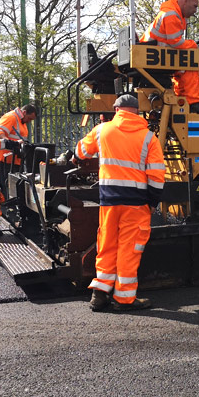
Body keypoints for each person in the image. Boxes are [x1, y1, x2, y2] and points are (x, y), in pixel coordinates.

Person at [75, 94, 165, 311]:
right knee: (129, 249)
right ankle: (124, 299)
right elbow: (157, 175)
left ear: (116, 110)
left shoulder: (102, 130)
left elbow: (81, 151)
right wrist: (152, 202)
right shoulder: (148, 137)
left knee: (106, 245)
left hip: (109, 203)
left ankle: (100, 294)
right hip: (136, 204)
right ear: (137, 112)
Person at [143, 0, 199, 112]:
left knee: (181, 68)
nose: (195, 10)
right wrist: (193, 44)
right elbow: (175, 41)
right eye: (195, 6)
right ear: (185, 1)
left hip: (154, 55)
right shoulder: (172, 14)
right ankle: (193, 103)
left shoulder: (173, 13)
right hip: (154, 57)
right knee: (191, 65)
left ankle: (182, 99)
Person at [0, 103, 37, 175]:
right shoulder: (11, 117)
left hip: (15, 161)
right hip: (4, 160)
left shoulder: (22, 122)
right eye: (29, 118)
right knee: (6, 185)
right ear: (24, 112)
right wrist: (9, 143)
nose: (29, 121)